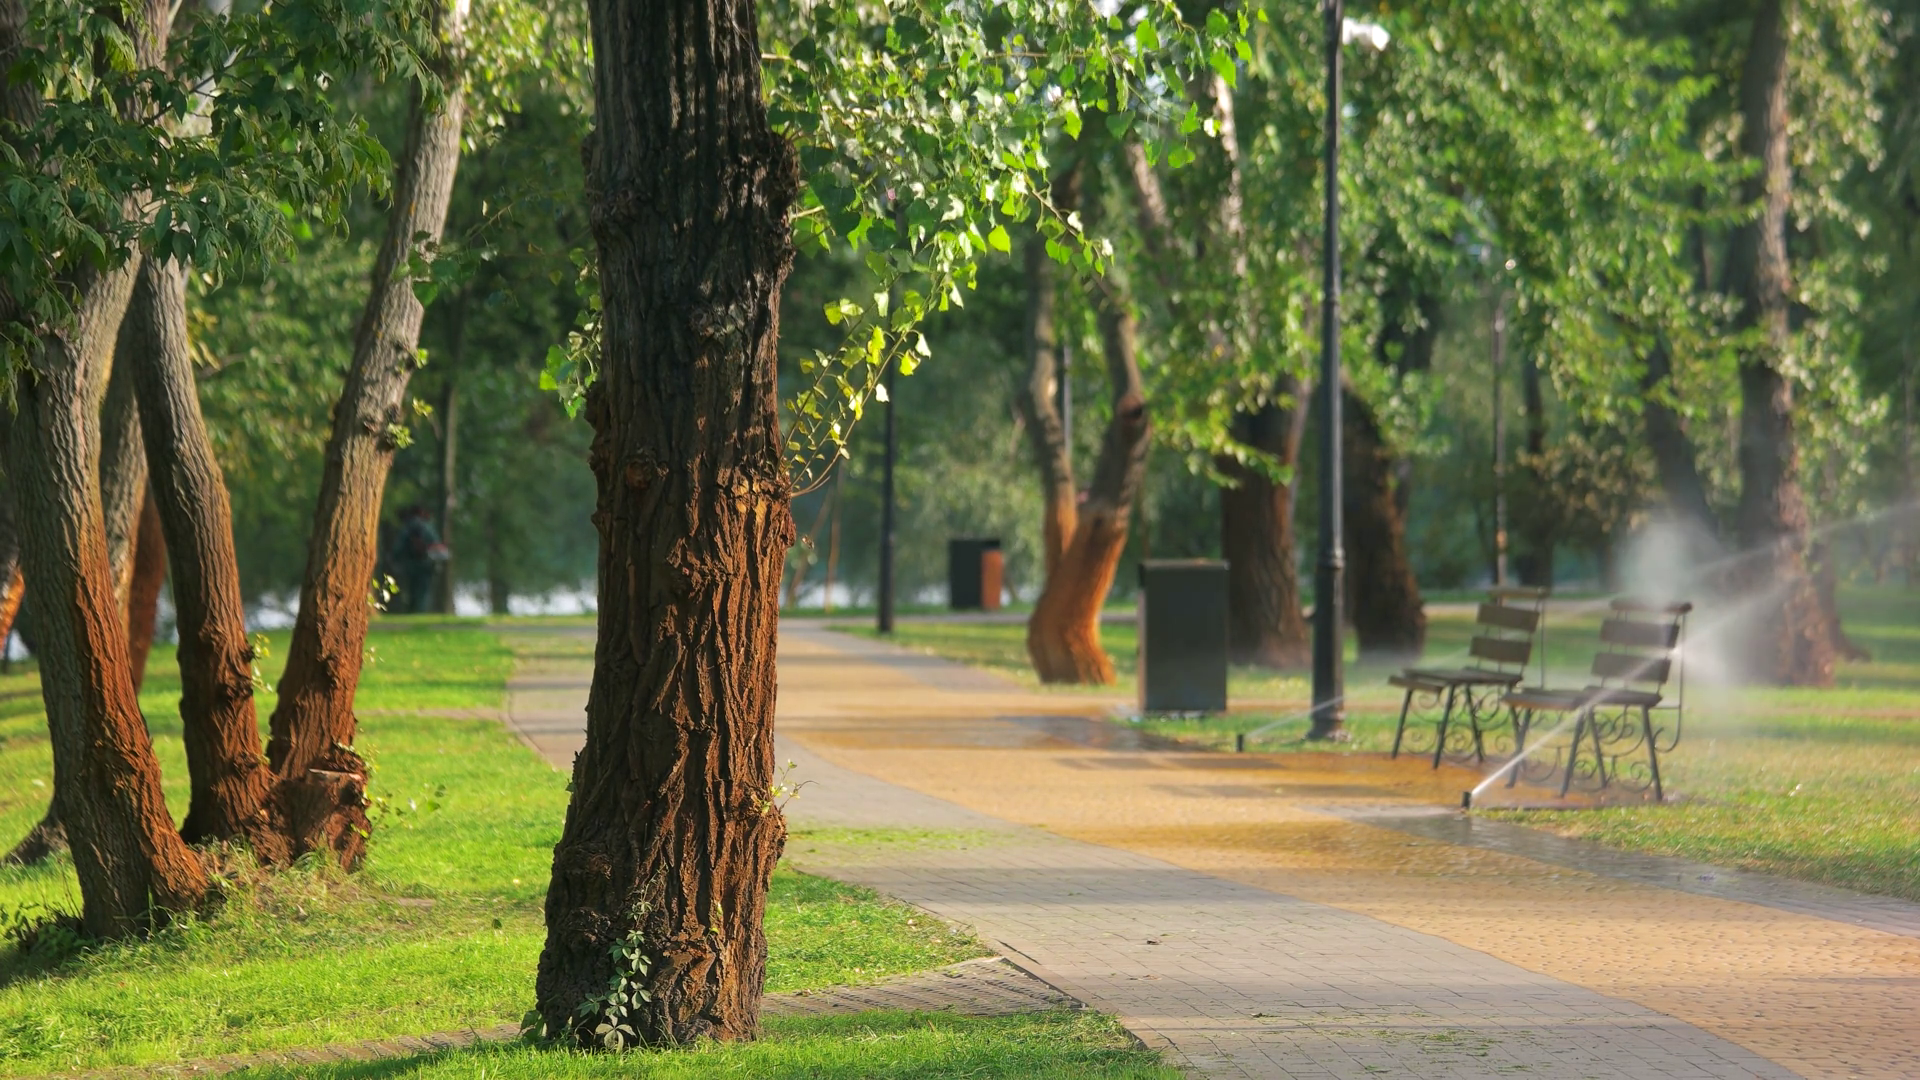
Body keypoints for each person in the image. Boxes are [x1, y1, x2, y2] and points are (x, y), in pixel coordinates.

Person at [392, 505, 448, 614]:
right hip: (426, 564)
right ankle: (420, 611)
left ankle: (411, 611)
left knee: (411, 590)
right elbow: (437, 546)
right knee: (423, 592)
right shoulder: (427, 527)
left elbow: (398, 548)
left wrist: (396, 560)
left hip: (410, 565)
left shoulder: (407, 528)